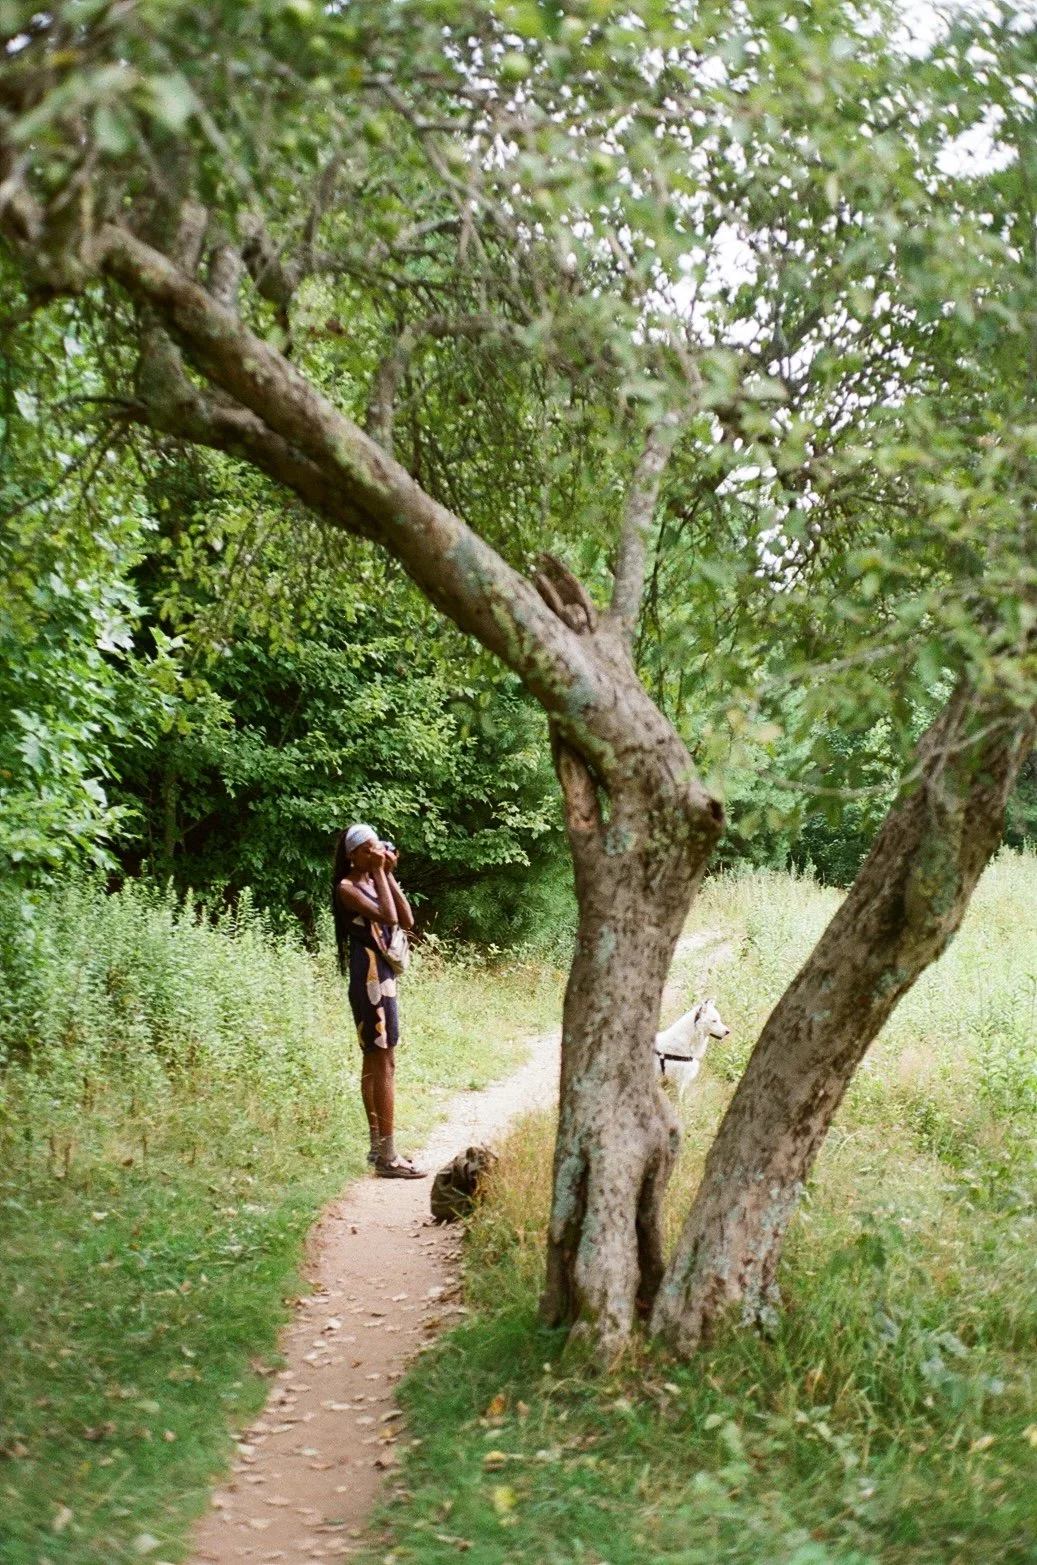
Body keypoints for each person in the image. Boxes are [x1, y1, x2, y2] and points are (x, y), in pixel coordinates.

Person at [332, 823, 426, 1178]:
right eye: (369, 849)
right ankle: (388, 1156)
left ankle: (378, 1149)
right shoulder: (347, 888)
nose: (377, 852)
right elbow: (386, 916)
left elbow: (405, 917)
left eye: (379, 847)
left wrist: (385, 874)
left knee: (376, 1060)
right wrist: (378, 871)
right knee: (382, 1061)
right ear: (353, 855)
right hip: (369, 976)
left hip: (380, 976)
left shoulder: (374, 879)